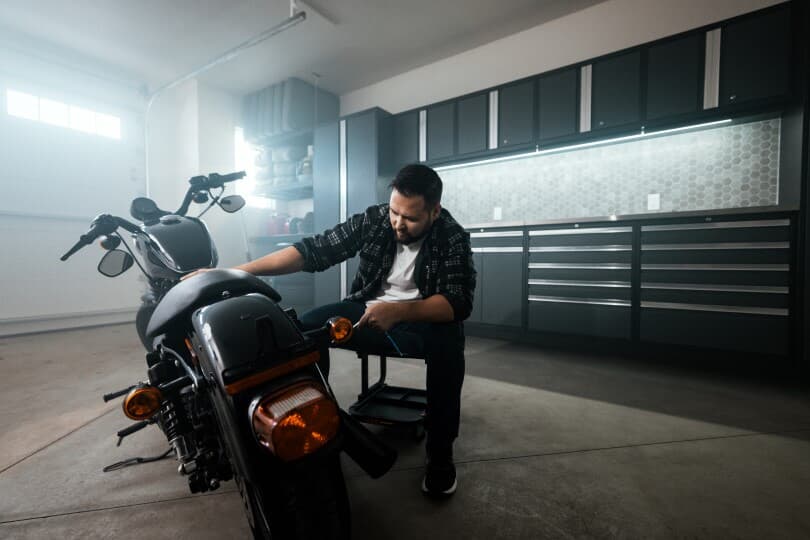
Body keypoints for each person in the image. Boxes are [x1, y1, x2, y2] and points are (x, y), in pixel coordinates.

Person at [197, 163, 475, 496]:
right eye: (394, 212)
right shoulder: (375, 219)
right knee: (302, 331)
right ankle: (314, 427)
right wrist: (233, 273)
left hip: (422, 321)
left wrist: (399, 311)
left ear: (434, 211)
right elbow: (313, 251)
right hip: (366, 310)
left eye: (411, 218)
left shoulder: (451, 236)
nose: (398, 223)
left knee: (449, 349)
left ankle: (440, 454)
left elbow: (457, 303)